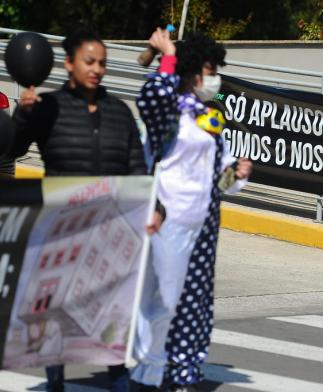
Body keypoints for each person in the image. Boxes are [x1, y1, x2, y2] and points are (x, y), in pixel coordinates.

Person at [6, 28, 164, 392]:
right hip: (60, 230)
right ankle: (55, 383)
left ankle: (119, 382)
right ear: (69, 64)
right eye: (89, 62)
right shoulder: (48, 108)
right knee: (53, 319)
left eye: (102, 63)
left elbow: (136, 168)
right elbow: (12, 149)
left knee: (111, 316)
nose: (97, 69)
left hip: (108, 230)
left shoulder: (119, 112)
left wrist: (154, 209)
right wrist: (23, 115)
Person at [131, 28, 252, 392]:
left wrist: (235, 173)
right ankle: (147, 373)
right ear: (189, 72)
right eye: (209, 69)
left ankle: (183, 373)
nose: (214, 78)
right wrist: (166, 55)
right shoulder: (165, 113)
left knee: (194, 304)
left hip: (202, 225)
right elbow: (151, 96)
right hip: (165, 221)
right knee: (163, 301)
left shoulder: (208, 120)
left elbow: (218, 181)